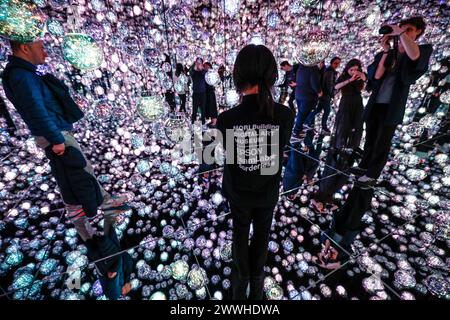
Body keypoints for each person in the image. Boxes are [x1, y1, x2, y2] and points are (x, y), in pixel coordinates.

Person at [2, 39, 129, 242]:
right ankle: (87, 231)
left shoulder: (26, 72)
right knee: (72, 180)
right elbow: (35, 109)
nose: (45, 52)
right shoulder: (21, 75)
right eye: (40, 47)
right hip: (54, 134)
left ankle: (105, 203)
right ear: (25, 48)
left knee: (81, 171)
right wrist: (55, 138)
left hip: (55, 131)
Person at [216, 44, 294, 300]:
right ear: (272, 75)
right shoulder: (284, 114)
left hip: (238, 191)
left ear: (238, 75)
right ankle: (256, 291)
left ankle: (240, 289)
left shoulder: (226, 119)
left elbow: (227, 156)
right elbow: (276, 152)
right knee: (262, 236)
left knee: (240, 235)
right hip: (267, 190)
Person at [354, 16, 433, 187]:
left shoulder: (423, 49)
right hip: (376, 103)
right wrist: (385, 50)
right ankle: (364, 167)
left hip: (393, 106)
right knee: (370, 137)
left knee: (383, 141)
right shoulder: (389, 53)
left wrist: (400, 33)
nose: (403, 32)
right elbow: (376, 76)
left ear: (418, 32)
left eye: (409, 29)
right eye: (401, 28)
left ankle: (372, 175)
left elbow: (415, 59)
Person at [310, 59, 366, 213]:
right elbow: (336, 87)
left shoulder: (361, 77)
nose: (354, 71)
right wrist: (350, 79)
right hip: (346, 103)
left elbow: (367, 84)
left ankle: (349, 144)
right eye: (351, 68)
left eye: (356, 68)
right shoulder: (344, 78)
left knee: (356, 125)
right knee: (344, 125)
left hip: (357, 102)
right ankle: (346, 144)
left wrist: (360, 76)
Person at [305, 57, 341, 133]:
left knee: (318, 109)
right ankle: (323, 127)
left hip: (324, 94)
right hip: (325, 94)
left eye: (338, 63)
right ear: (331, 63)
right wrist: (331, 94)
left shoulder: (330, 70)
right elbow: (329, 85)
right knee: (327, 111)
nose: (337, 65)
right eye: (335, 63)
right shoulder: (330, 72)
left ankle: (307, 122)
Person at [293, 62, 322, 138]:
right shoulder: (312, 68)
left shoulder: (301, 67)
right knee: (302, 114)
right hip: (308, 95)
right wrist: (319, 92)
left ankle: (299, 130)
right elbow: (314, 82)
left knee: (301, 113)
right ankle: (296, 132)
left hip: (299, 93)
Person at [189, 57, 207, 124]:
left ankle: (203, 123)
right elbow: (191, 72)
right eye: (197, 62)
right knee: (194, 109)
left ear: (202, 63)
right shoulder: (193, 71)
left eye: (200, 62)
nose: (198, 64)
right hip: (196, 93)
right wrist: (195, 65)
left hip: (203, 93)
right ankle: (193, 123)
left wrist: (201, 68)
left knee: (203, 109)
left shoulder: (204, 71)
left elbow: (204, 74)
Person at [203, 62, 218, 127]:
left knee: (212, 106)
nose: (205, 68)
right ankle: (211, 121)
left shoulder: (212, 74)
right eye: (204, 67)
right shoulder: (203, 74)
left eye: (207, 67)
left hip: (210, 92)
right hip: (205, 92)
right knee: (207, 107)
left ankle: (214, 121)